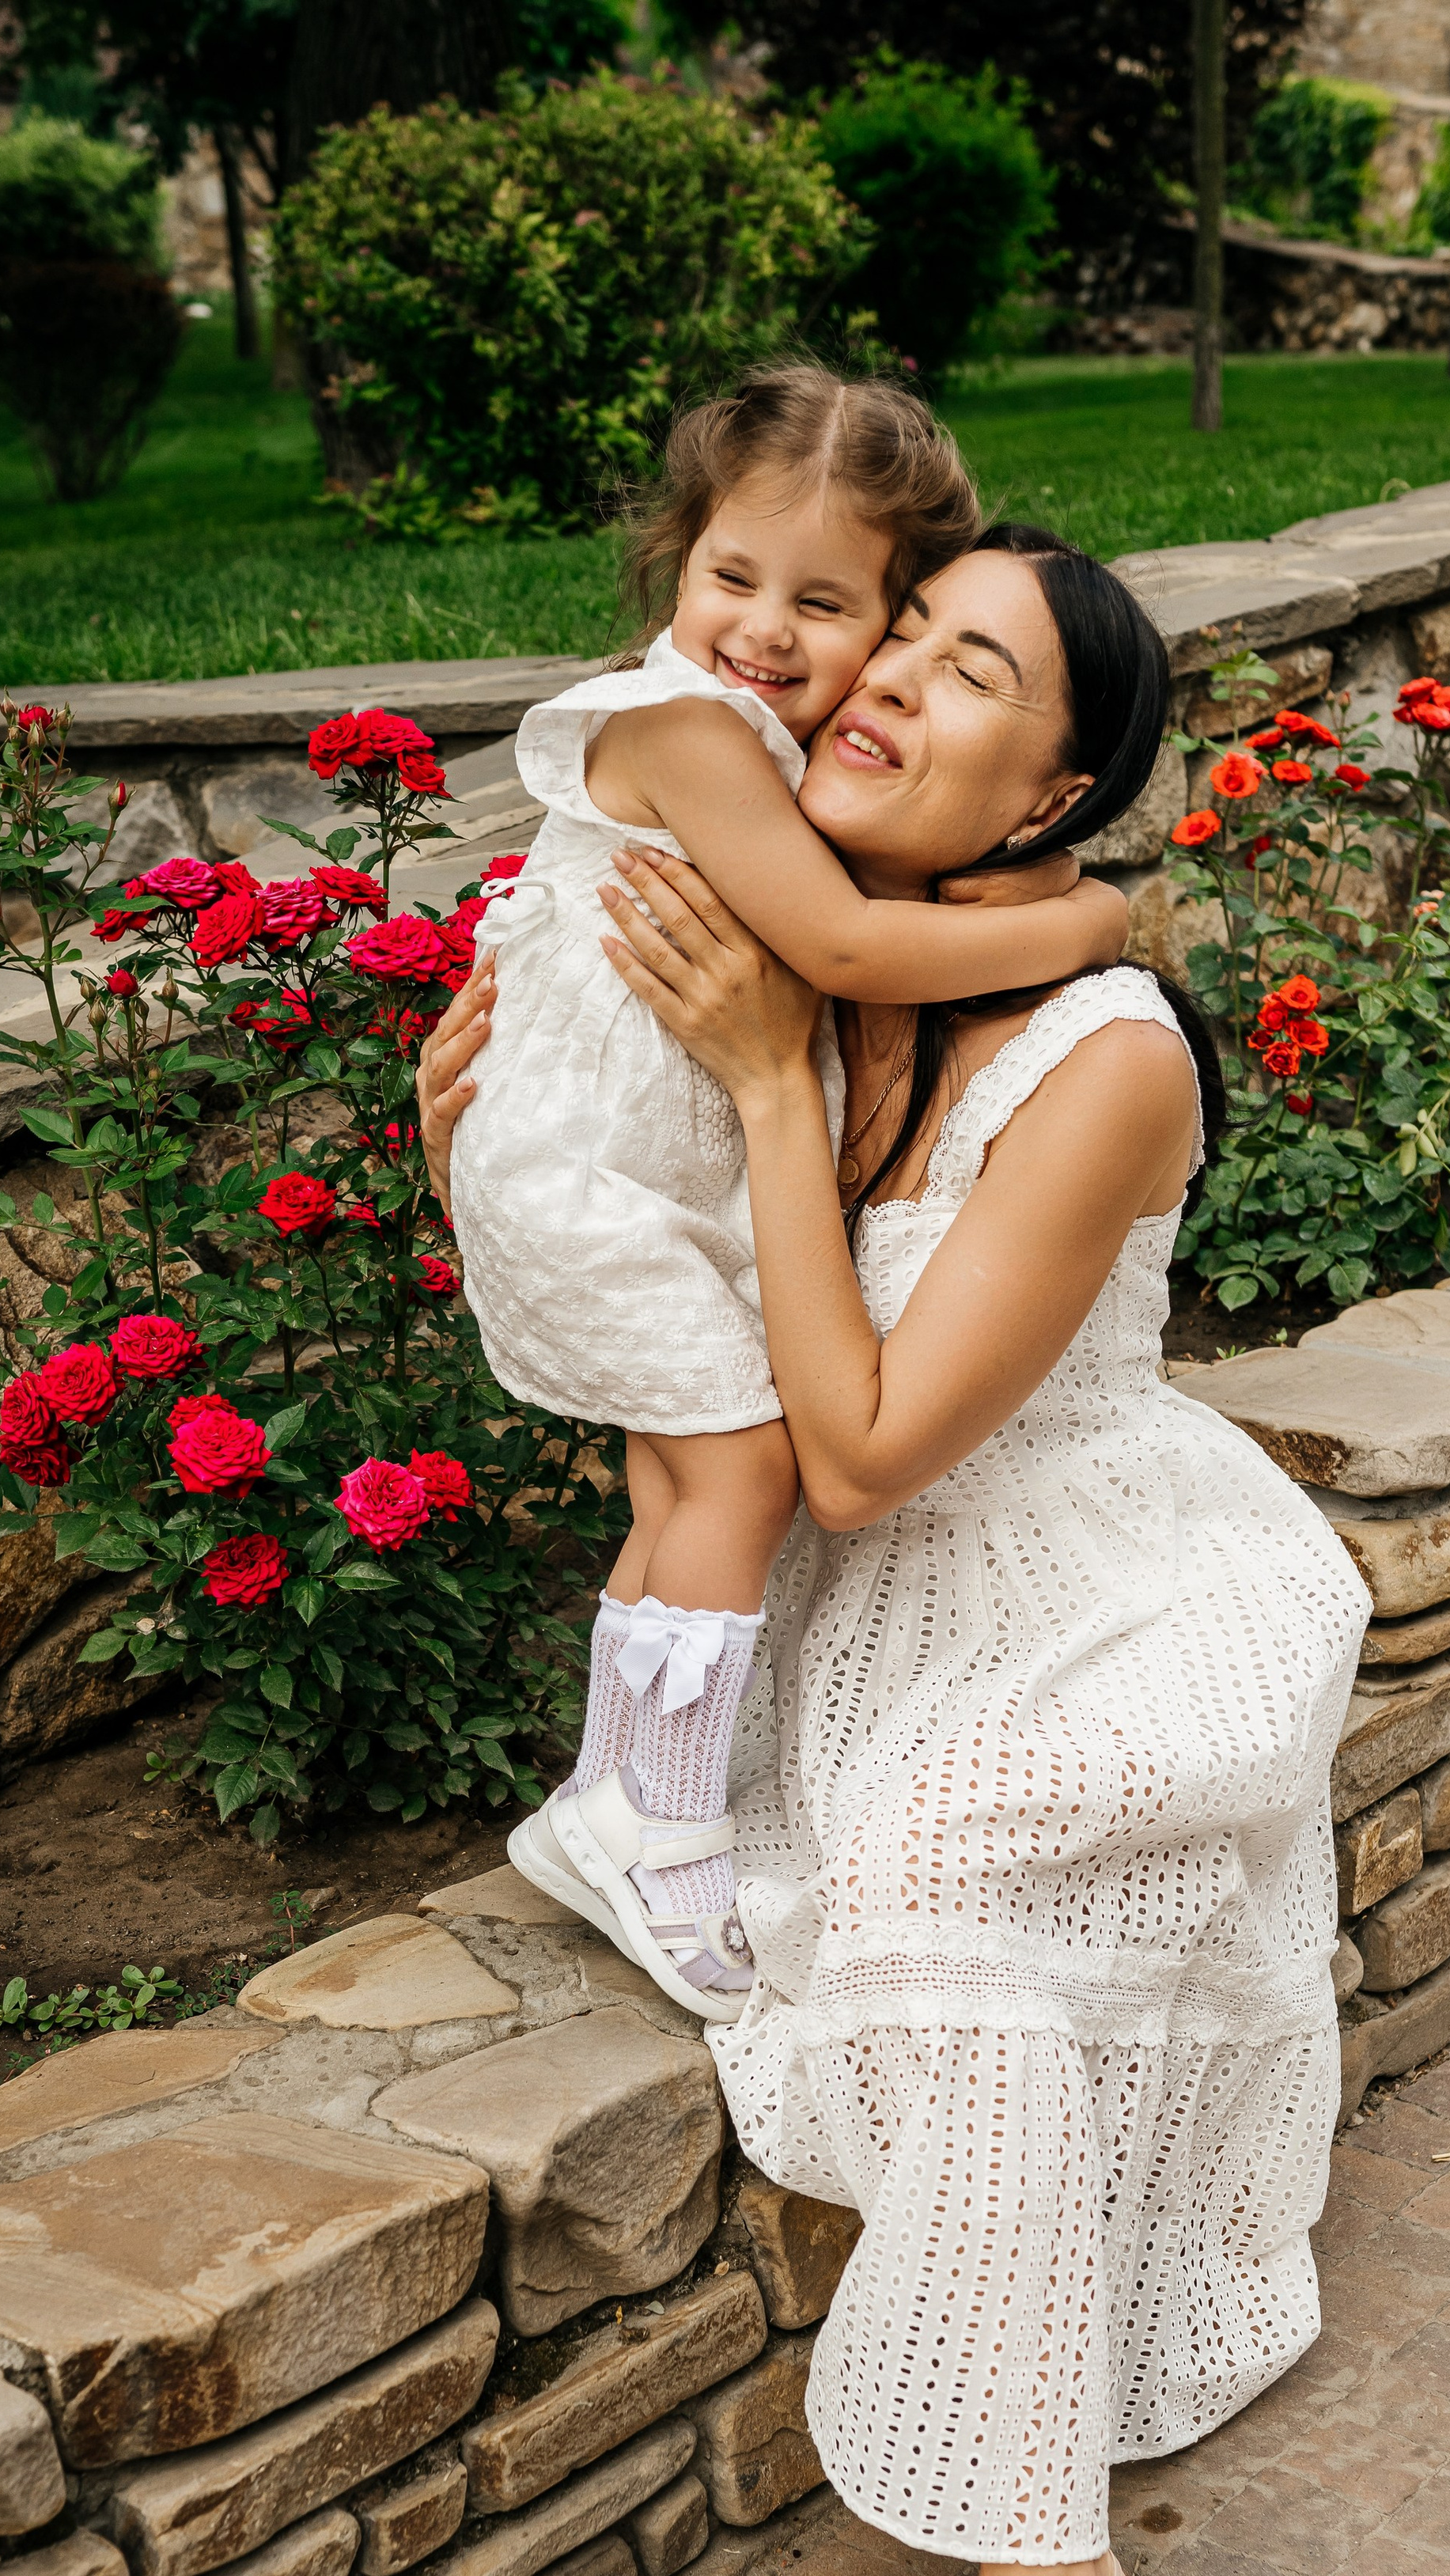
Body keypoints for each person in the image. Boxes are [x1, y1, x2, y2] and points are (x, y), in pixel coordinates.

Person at [423, 526, 1368, 2576]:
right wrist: (500, 1119)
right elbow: (662, 1350)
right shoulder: (806, 962)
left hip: (1108, 1587)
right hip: (874, 1619)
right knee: (818, 1892)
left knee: (946, 1887)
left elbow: (849, 1454)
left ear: (1054, 800)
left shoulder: (1103, 1055)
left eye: (970, 674)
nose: (876, 685)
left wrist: (759, 1077)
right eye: (894, 631)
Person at [449, 369, 1131, 2025]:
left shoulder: (755, 747)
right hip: (589, 1167)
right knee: (740, 1460)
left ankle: (614, 1798)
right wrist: (1086, 923)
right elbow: (836, 949)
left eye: (828, 603)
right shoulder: (683, 729)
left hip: (623, 1165)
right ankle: (659, 1822)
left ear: (883, 619)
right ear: (672, 563)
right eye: (730, 578)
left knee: (685, 1479)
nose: (765, 627)